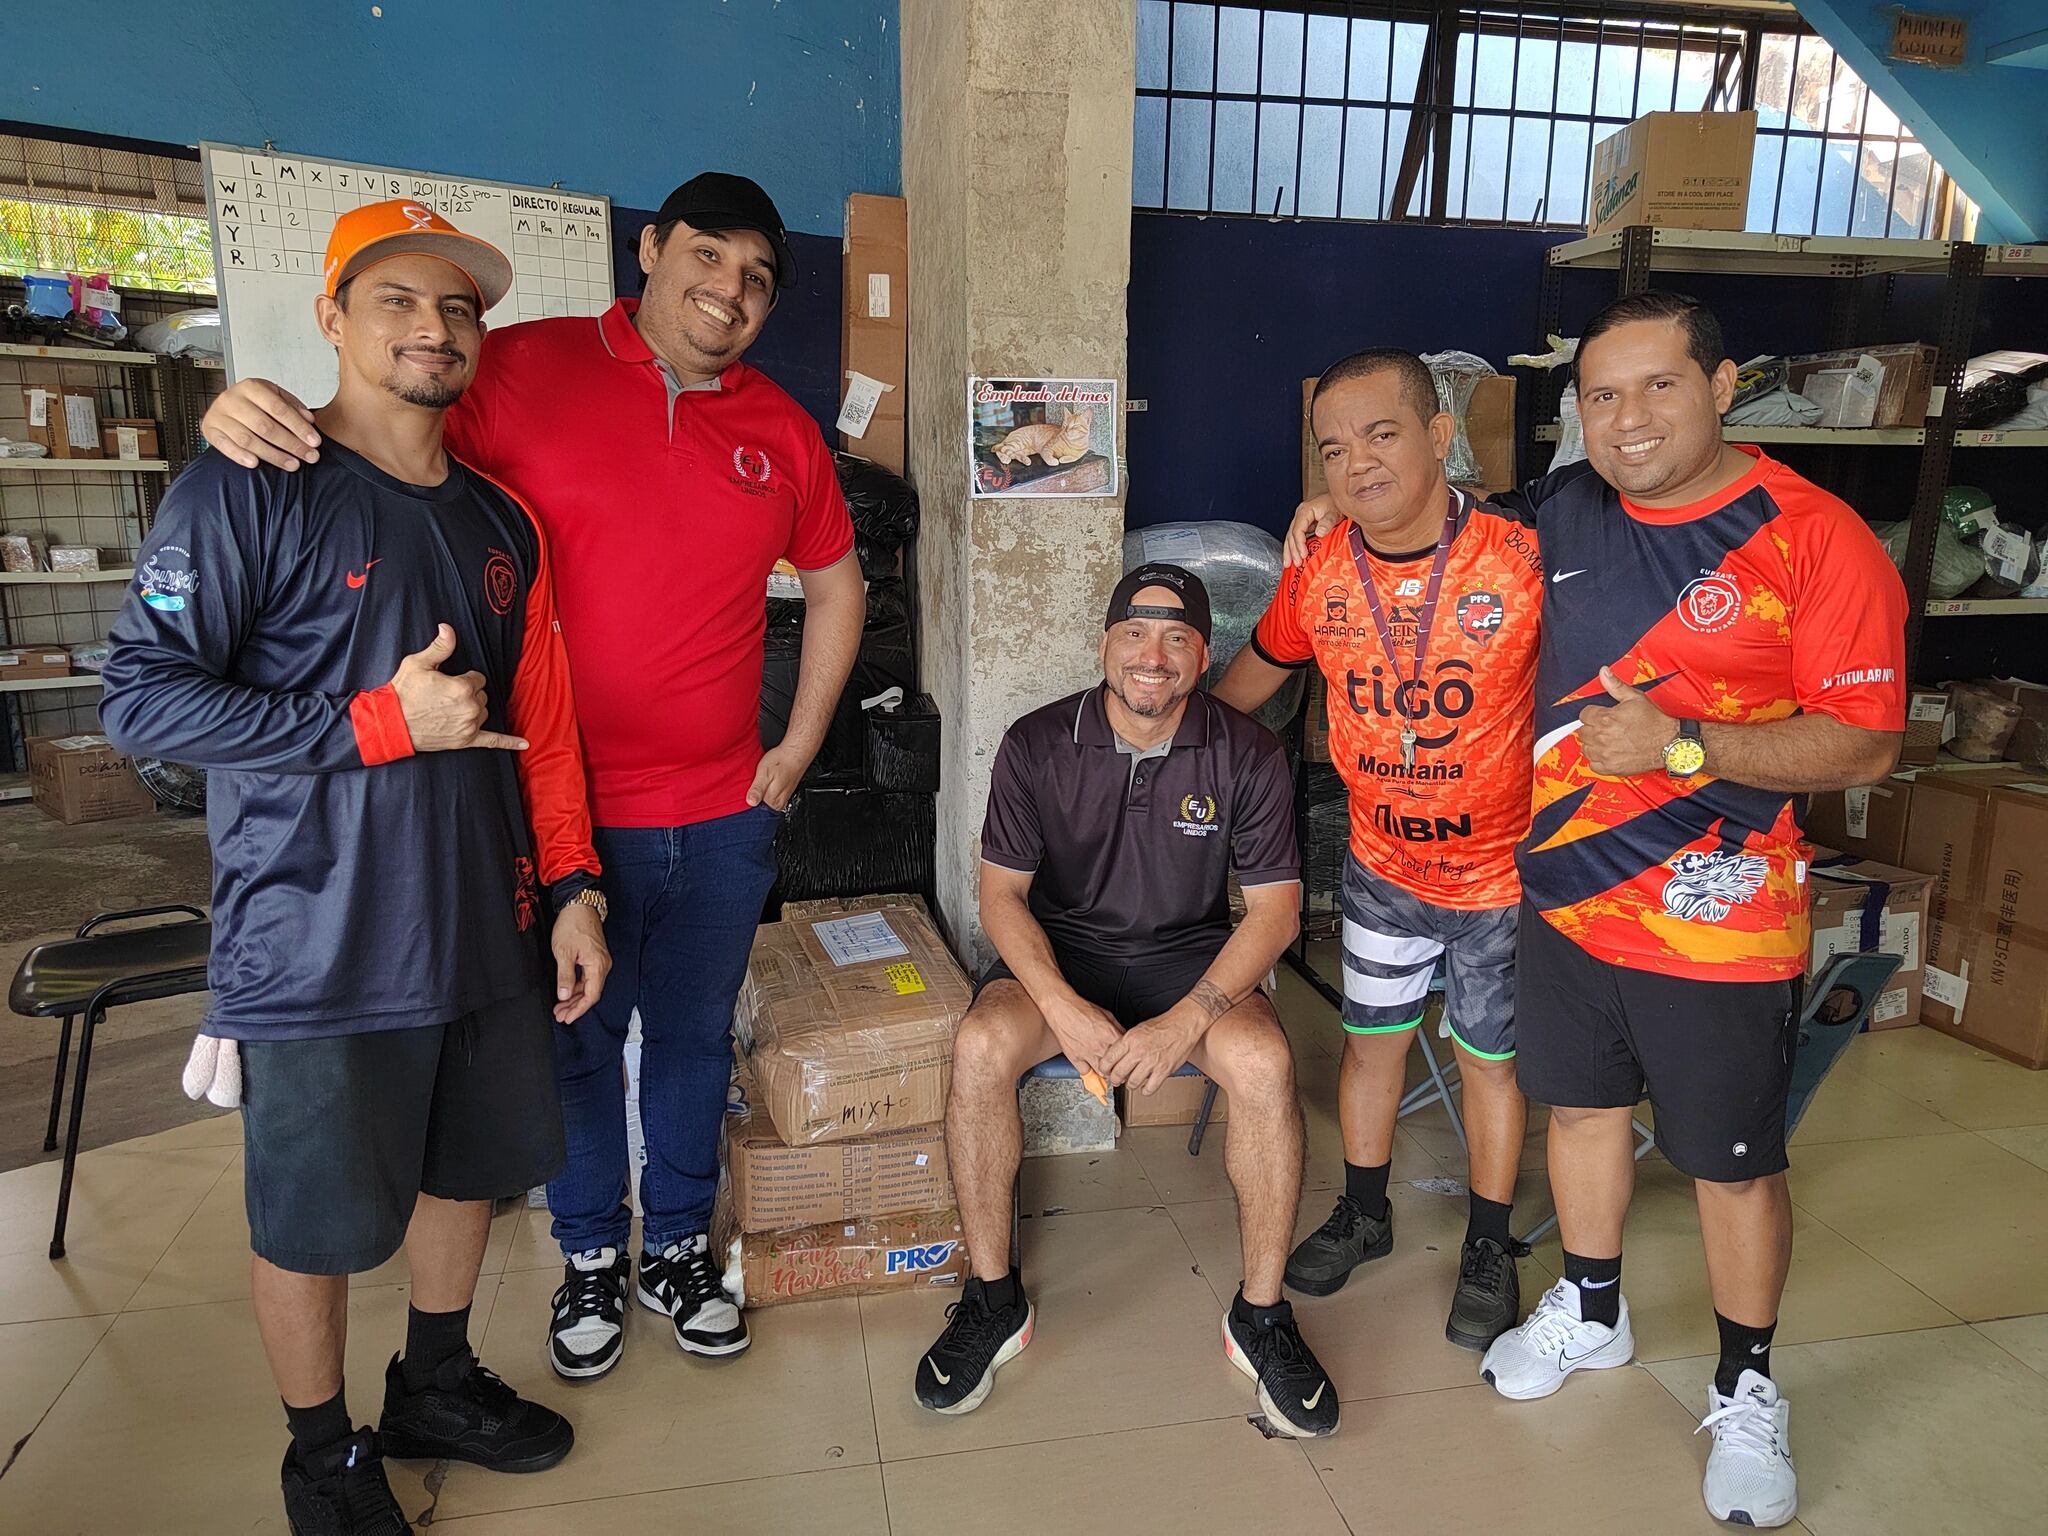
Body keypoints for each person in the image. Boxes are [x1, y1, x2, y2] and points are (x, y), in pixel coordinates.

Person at [200, 173, 865, 1381]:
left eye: (757, 278)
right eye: (707, 258)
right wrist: (248, 412)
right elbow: (382, 422)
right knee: (567, 1042)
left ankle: (671, 1245)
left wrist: (799, 744)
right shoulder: (519, 365)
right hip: (544, 811)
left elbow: (836, 582)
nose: (729, 292)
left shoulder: (778, 428)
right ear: (650, 250)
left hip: (722, 809)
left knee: (690, 1040)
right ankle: (587, 1259)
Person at [1285, 293, 1907, 1528]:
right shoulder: (1560, 511)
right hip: (1559, 896)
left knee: (1731, 1168)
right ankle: (1591, 1302)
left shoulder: (1811, 535)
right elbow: (1429, 529)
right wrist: (1333, 518)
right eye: (1601, 397)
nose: (1626, 420)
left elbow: (1865, 745)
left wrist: (1681, 747)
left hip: (1711, 913)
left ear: (1723, 385)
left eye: (1657, 387)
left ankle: (1742, 1388)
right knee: (1576, 1115)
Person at [102, 200, 609, 1536]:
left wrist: (570, 887)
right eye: (396, 299)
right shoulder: (249, 481)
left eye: (456, 309)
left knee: (468, 1169)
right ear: (331, 317)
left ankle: (434, 1382)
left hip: (481, 917)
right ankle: (320, 1456)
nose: (431, 328)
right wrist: (372, 724)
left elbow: (536, 724)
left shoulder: (503, 523)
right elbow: (142, 701)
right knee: (312, 1217)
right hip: (314, 934)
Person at [915, 564, 1341, 1437]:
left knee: (1263, 1058)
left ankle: (1260, 1318)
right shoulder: (1038, 742)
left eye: (1178, 637)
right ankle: (992, 1299)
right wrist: (1065, 1010)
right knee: (983, 1044)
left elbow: (1276, 913)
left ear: (1200, 655)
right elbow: (1001, 895)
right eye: (1136, 633)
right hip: (1061, 955)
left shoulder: (1246, 751)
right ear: (1104, 643)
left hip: (1188, 960)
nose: (1155, 655)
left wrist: (1189, 1018)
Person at [1215, 348, 1543, 1353]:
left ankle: (1488, 1242)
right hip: (1382, 873)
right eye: (1331, 449)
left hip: (1499, 878)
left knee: (1486, 1064)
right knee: (1371, 1049)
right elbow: (1256, 677)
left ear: (1441, 437)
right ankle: (1366, 1210)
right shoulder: (1317, 566)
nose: (1355, 464)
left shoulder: (1523, 556)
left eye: (1381, 433)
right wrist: (1164, 749)